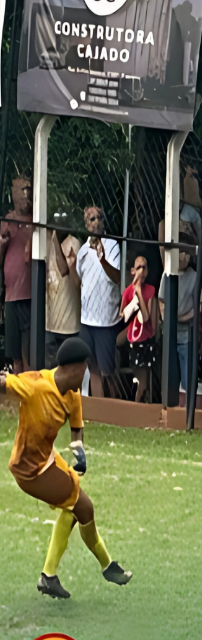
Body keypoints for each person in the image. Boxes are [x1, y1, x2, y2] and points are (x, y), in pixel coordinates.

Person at [5, 336, 131, 599]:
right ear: (73, 368)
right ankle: (106, 566)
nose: (85, 375)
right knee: (82, 506)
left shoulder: (72, 397)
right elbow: (5, 382)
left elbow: (76, 432)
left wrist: (79, 453)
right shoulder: (37, 384)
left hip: (47, 459)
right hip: (29, 470)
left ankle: (50, 576)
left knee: (76, 507)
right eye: (84, 368)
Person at [76, 206, 122, 397]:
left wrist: (102, 259)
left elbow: (116, 277)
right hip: (87, 320)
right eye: (92, 219)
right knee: (92, 368)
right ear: (86, 224)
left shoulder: (112, 245)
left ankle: (112, 411)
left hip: (105, 320)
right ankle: (97, 412)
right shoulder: (83, 250)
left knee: (108, 372)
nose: (96, 222)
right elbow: (80, 278)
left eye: (99, 218)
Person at [158, 230, 199, 392]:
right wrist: (167, 319)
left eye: (187, 253)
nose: (183, 256)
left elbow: (198, 307)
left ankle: (187, 409)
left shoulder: (194, 276)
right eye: (180, 252)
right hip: (169, 333)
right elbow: (161, 300)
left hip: (186, 335)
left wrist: (180, 318)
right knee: (169, 376)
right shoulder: (167, 275)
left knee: (187, 378)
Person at [0, 176, 33, 371]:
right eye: (21, 190)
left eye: (28, 189)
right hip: (11, 296)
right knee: (15, 356)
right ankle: (16, 398)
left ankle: (28, 396)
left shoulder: (35, 220)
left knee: (28, 353)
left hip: (29, 296)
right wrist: (2, 245)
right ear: (13, 193)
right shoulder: (6, 221)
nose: (25, 194)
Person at [120, 255, 156, 403]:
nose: (141, 270)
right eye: (138, 267)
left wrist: (139, 293)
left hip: (147, 339)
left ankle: (143, 402)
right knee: (138, 375)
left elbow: (147, 317)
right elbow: (122, 314)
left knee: (145, 377)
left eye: (144, 267)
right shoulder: (127, 292)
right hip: (134, 340)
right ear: (133, 271)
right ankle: (135, 404)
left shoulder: (151, 291)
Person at [46, 230, 81, 368]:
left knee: (68, 369)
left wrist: (54, 240)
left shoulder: (74, 243)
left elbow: (63, 269)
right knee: (50, 370)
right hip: (50, 322)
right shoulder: (45, 241)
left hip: (68, 323)